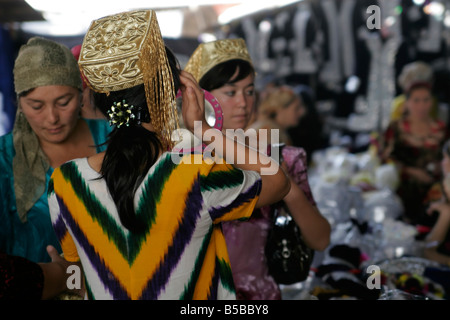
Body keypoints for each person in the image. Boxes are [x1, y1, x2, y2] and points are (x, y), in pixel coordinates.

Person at [47, 9, 290, 300]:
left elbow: (75, 274)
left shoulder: (65, 181)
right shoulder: (194, 174)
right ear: (169, 93)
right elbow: (277, 181)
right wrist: (203, 129)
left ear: (101, 98)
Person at [185, 38, 331, 300]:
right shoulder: (183, 162)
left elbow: (320, 239)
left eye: (250, 91)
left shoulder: (279, 156)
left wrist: (286, 187)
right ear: (202, 98)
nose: (243, 102)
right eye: (230, 92)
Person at [0, 37, 111, 264]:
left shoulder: (113, 139)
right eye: (36, 106)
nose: (52, 118)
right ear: (20, 103)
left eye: (63, 102)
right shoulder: (3, 157)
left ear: (81, 95)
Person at [380, 79, 448, 226]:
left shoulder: (441, 128)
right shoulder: (396, 128)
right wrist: (410, 171)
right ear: (407, 102)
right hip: (404, 191)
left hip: (437, 189)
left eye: (426, 100)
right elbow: (385, 158)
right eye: (416, 100)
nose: (422, 106)